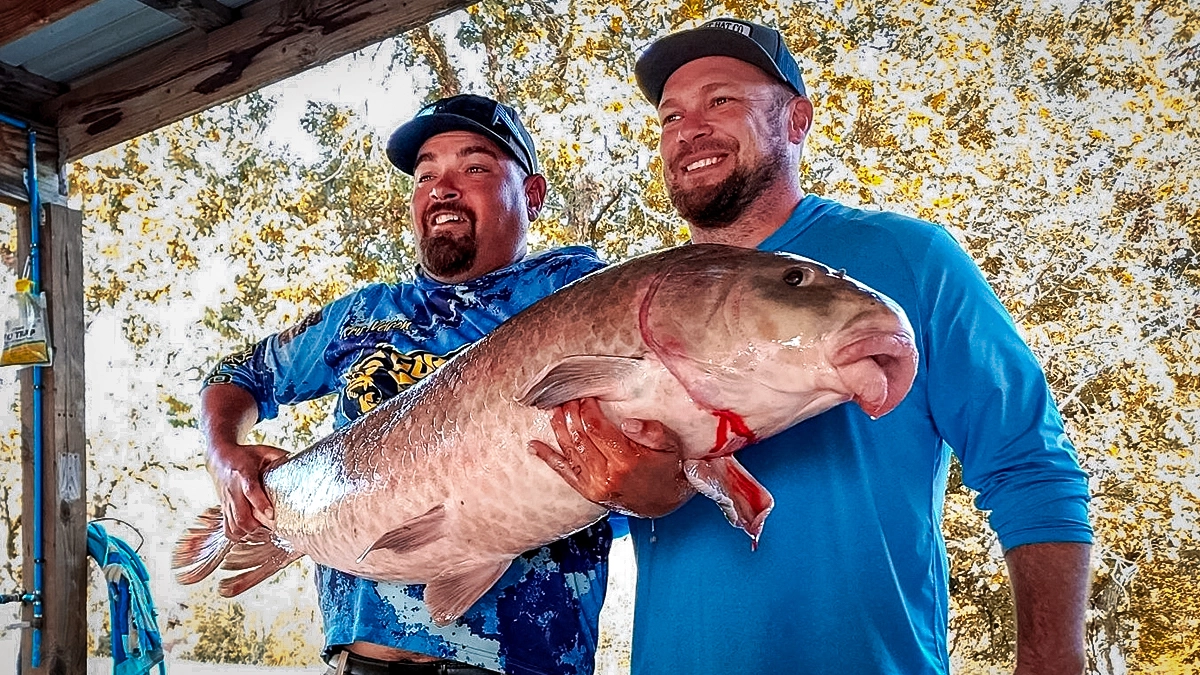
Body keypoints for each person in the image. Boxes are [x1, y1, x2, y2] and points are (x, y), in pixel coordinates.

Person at [535, 18, 1093, 675]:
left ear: (796, 120)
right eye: (671, 115)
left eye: (722, 100)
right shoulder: (616, 308)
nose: (690, 129)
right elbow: (588, 514)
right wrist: (641, 488)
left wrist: (1052, 663)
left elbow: (1030, 465)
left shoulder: (911, 259)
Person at [200, 94, 614, 675]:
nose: (443, 188)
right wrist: (226, 456)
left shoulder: (581, 294)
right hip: (365, 661)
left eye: (474, 168)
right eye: (426, 175)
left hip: (524, 662)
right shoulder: (362, 316)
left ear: (534, 195)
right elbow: (234, 375)